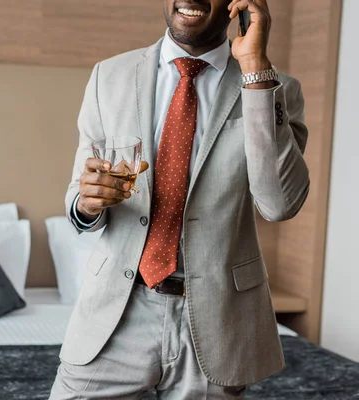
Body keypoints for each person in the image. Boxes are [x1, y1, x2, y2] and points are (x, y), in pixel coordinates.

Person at [50, 0, 310, 398]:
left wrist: (255, 67)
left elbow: (279, 204)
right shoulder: (110, 76)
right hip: (115, 313)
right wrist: (87, 203)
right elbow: (78, 198)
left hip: (218, 322)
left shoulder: (273, 89)